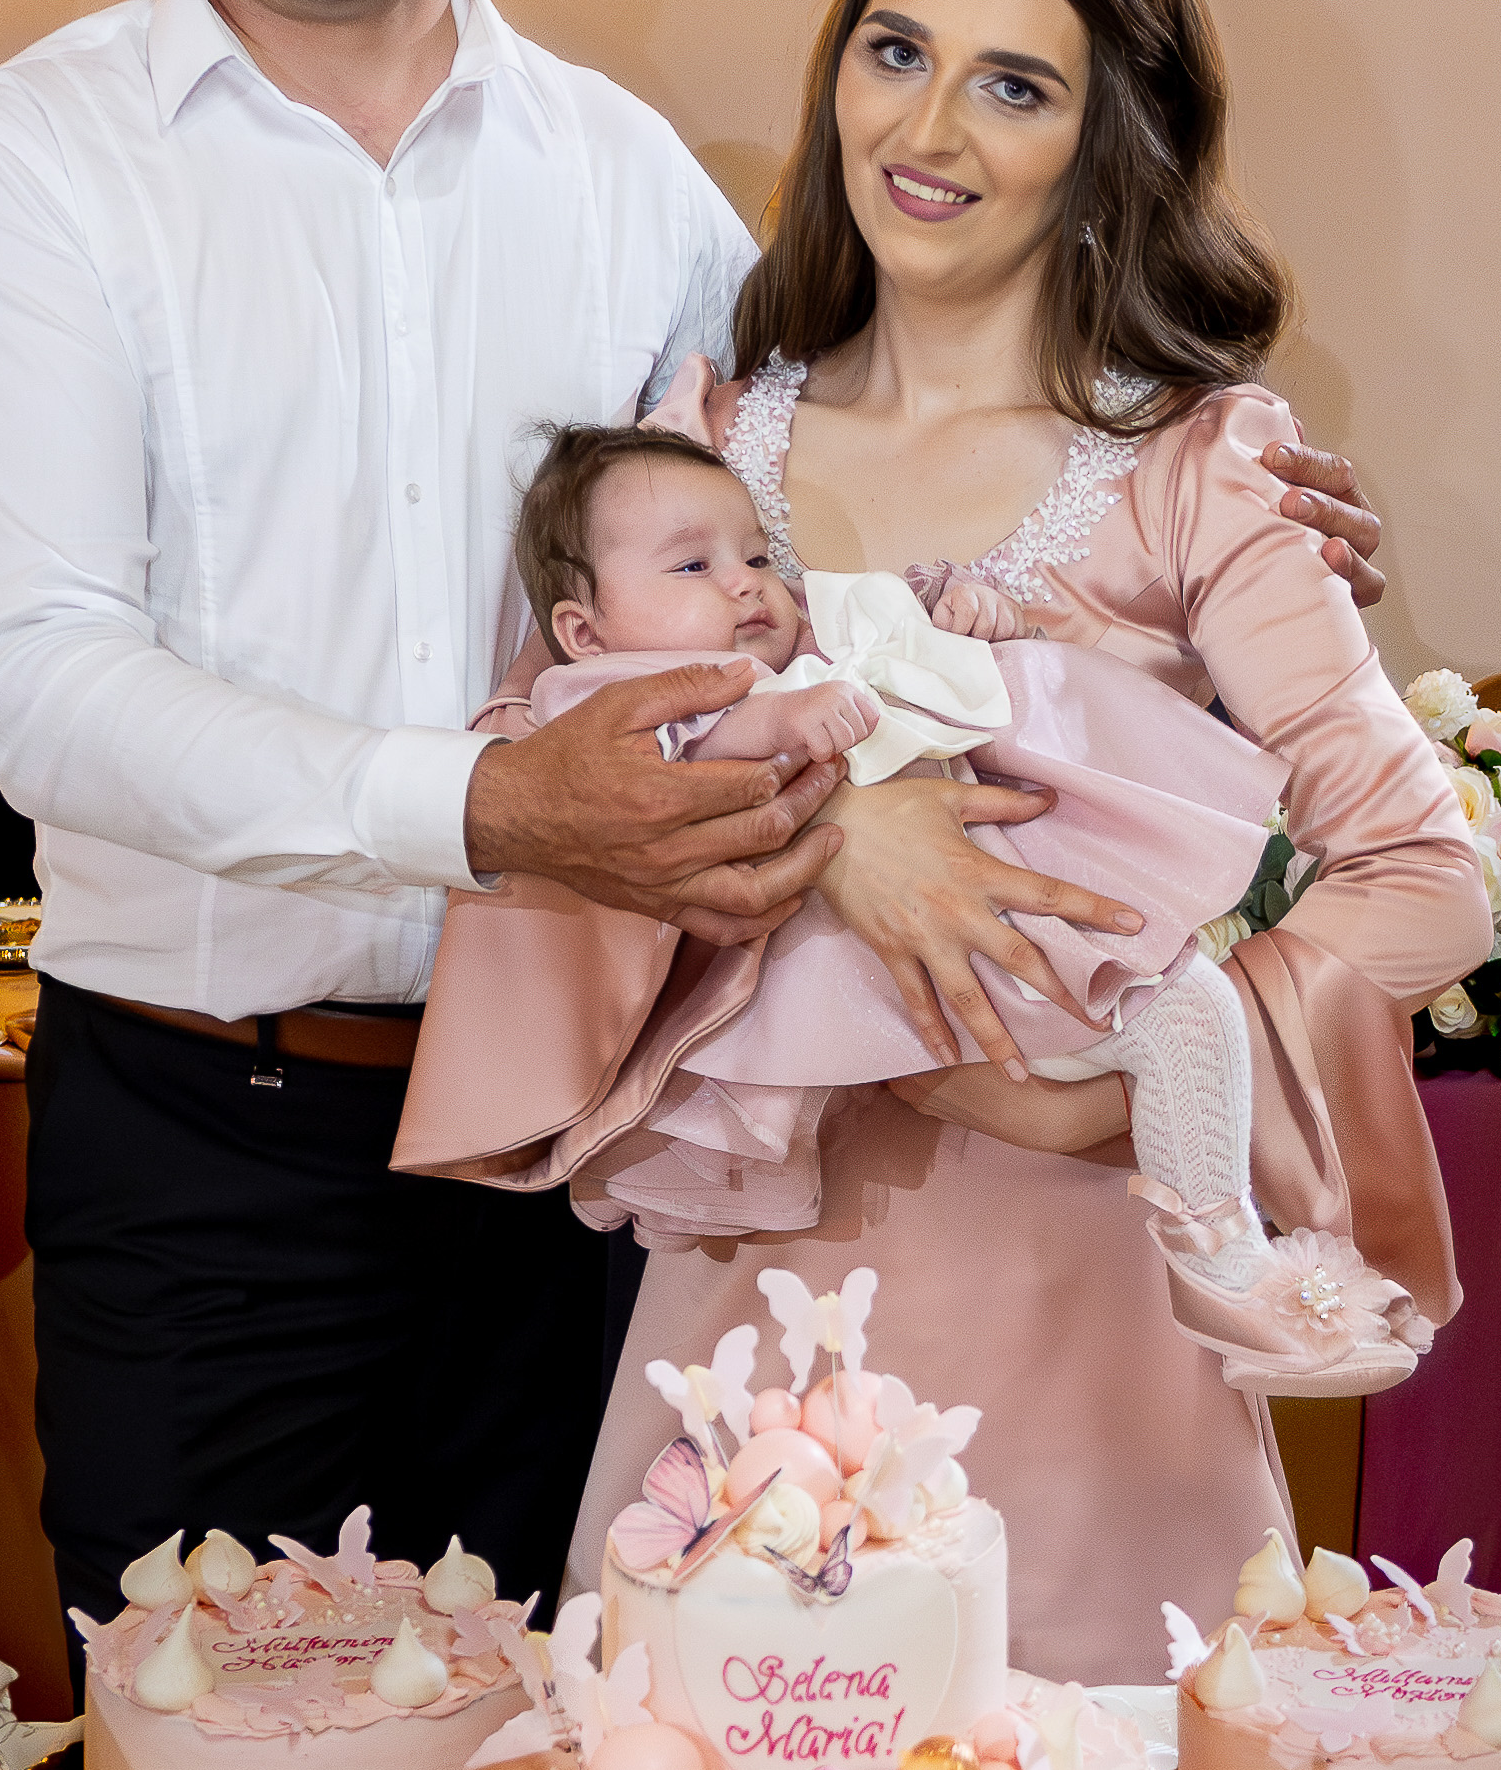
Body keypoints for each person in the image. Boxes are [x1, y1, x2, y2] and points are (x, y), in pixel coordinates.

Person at [0, 0, 1395, 1653]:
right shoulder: (37, 168)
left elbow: (844, 549)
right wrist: (498, 806)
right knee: (217, 1758)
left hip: (600, 1158)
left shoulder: (638, 189)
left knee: (592, 1764)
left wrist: (1212, 485)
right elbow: (43, 682)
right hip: (221, 1136)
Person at [561, 0, 1490, 1681]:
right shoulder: (696, 448)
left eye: (1014, 84)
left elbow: (1426, 877)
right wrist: (836, 834)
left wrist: (1143, 1080)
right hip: (759, 1322)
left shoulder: (1200, 470)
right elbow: (576, 812)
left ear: (1107, 136)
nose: (928, 130)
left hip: (1091, 1330)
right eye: (896, 51)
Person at [402, 417, 1420, 1392]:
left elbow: (886, 627)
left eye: (756, 556)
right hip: (859, 971)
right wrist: (786, 725)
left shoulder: (795, 646)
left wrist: (951, 616)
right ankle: (1228, 1264)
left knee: (1192, 1007)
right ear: (582, 631)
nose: (746, 583)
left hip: (959, 931)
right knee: (1174, 1014)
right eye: (693, 566)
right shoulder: (602, 700)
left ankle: (1225, 1253)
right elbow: (673, 772)